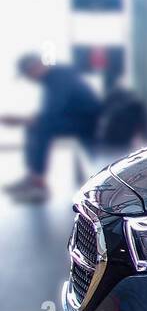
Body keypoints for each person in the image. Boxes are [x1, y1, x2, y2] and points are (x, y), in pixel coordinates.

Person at [1, 54, 101, 203]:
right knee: (35, 127)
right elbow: (50, 111)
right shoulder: (52, 78)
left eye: (28, 75)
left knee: (40, 128)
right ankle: (33, 177)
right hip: (76, 118)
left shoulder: (59, 77)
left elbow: (52, 112)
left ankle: (38, 183)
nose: (29, 79)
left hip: (87, 122)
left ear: (35, 68)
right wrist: (27, 120)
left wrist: (21, 120)